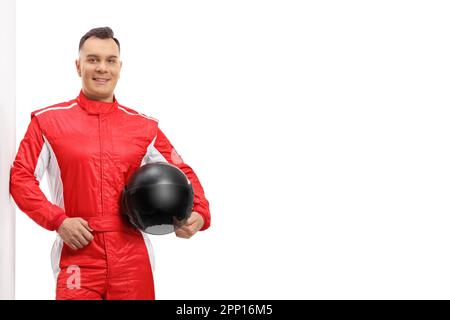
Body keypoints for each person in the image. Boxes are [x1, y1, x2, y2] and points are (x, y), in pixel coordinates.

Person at [9, 27, 211, 300]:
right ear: (78, 66)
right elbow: (20, 178)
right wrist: (58, 220)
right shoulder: (48, 122)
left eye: (110, 60)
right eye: (92, 59)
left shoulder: (142, 126)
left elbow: (182, 171)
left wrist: (199, 212)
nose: (102, 68)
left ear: (119, 67)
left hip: (132, 258)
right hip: (78, 253)